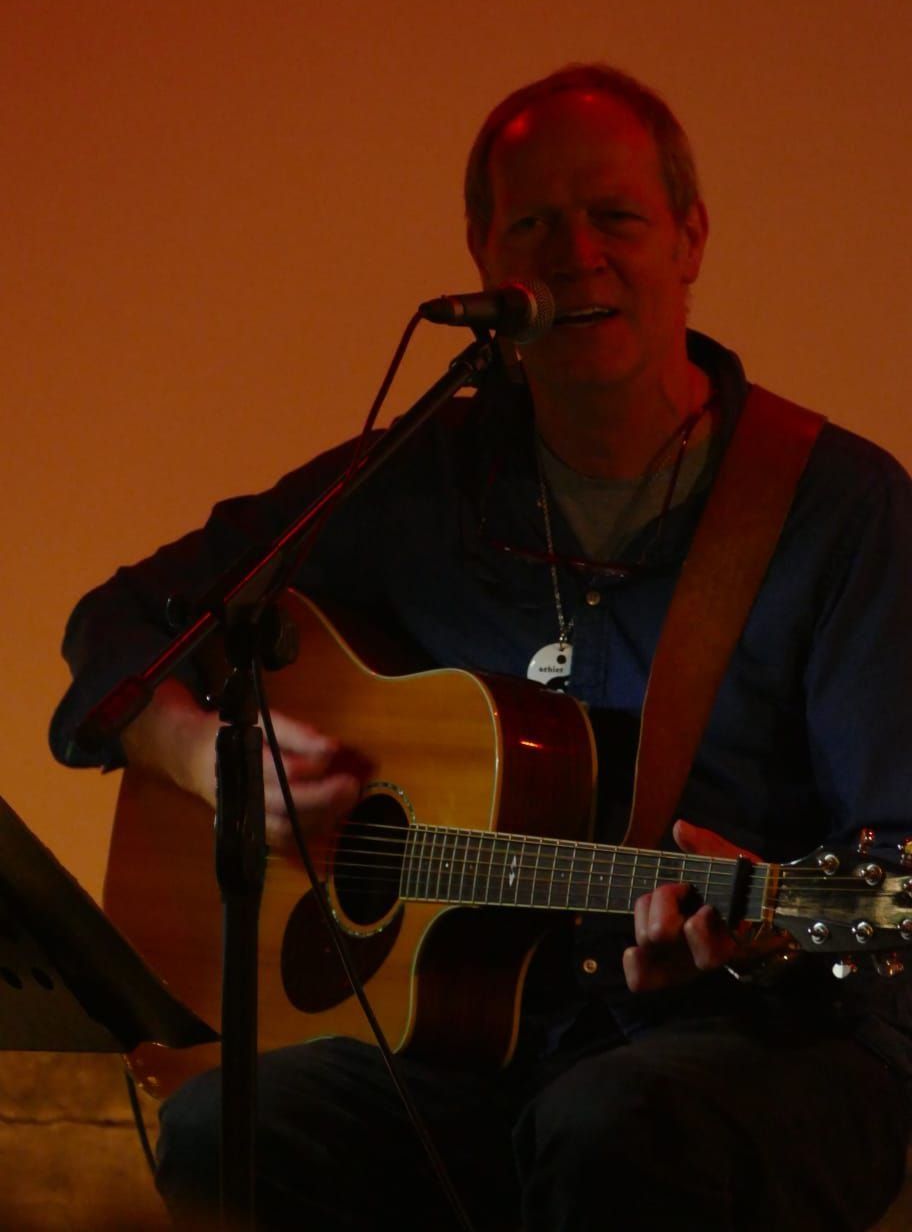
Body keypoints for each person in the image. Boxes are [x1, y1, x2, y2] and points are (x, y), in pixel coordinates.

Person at [51, 65, 912, 1231]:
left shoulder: (836, 508)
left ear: (690, 238)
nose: (576, 254)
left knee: (613, 1131)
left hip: (753, 1048)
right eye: (534, 225)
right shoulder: (415, 478)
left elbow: (896, 860)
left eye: (615, 216)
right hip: (470, 1051)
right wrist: (208, 757)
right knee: (225, 1130)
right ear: (484, 257)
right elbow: (121, 627)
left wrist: (752, 946)